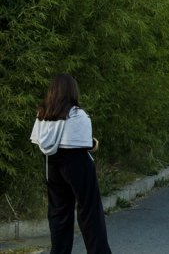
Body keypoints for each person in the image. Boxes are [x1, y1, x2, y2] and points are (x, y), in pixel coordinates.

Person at [30, 73, 112, 254]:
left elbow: (41, 141)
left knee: (59, 212)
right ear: (72, 90)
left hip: (51, 163)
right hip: (77, 163)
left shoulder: (43, 113)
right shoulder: (77, 114)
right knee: (89, 210)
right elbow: (80, 142)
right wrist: (94, 144)